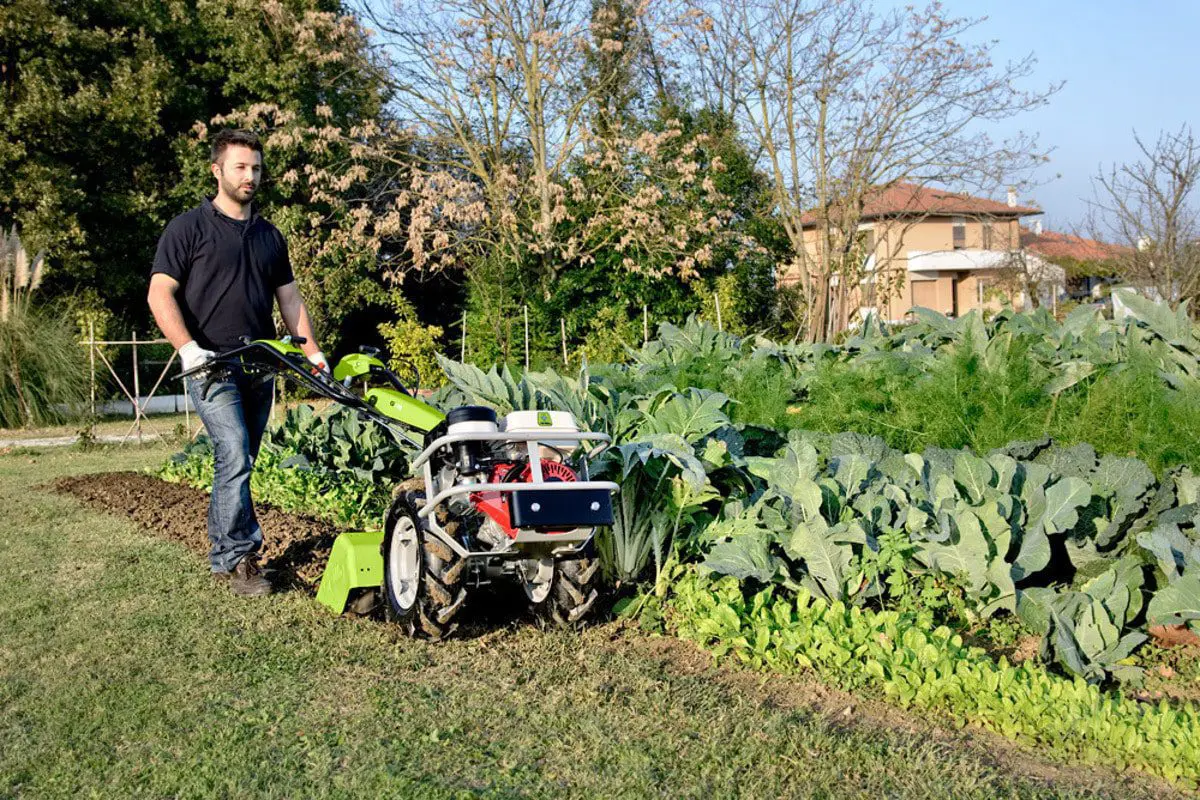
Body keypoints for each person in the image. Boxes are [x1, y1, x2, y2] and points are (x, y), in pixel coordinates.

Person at [147, 128, 328, 597]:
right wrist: (187, 348)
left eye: (256, 168)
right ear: (217, 170)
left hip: (259, 364)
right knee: (232, 453)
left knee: (242, 458)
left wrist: (313, 353)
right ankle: (234, 560)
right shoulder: (188, 228)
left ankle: (231, 552)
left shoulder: (269, 235)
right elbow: (159, 292)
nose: (250, 176)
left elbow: (289, 300)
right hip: (210, 366)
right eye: (241, 167)